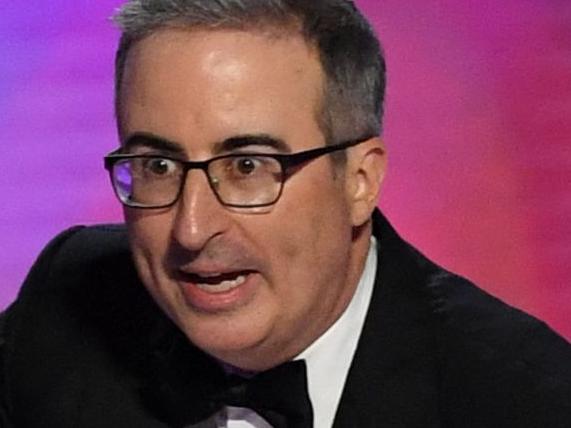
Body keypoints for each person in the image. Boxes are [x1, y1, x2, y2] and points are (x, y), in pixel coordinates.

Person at [1, 0, 570, 427]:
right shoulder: (67, 304)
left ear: (360, 180)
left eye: (248, 166)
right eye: (157, 165)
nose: (192, 229)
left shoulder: (525, 401)